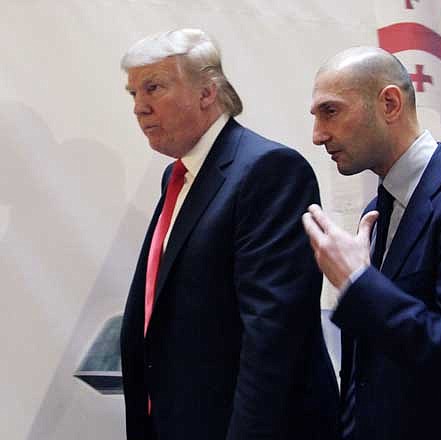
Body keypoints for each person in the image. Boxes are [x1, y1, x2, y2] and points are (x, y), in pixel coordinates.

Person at [119, 29, 338, 440]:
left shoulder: (269, 170)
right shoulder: (177, 175)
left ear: (207, 92)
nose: (140, 108)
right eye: (133, 94)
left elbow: (271, 335)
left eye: (153, 88)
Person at [302, 46, 441, 440]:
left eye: (331, 111)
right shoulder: (379, 208)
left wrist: (359, 284)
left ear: (389, 103)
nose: (318, 135)